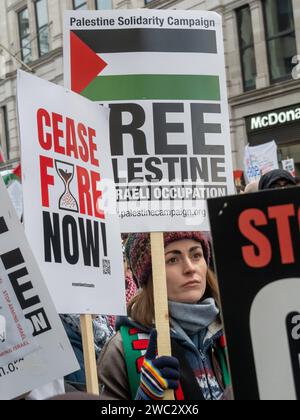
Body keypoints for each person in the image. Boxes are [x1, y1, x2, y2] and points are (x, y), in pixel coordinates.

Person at [97, 232, 231, 401]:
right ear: (150, 276)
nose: (190, 267)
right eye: (172, 260)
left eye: (196, 255)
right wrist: (145, 399)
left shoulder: (235, 331)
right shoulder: (121, 349)